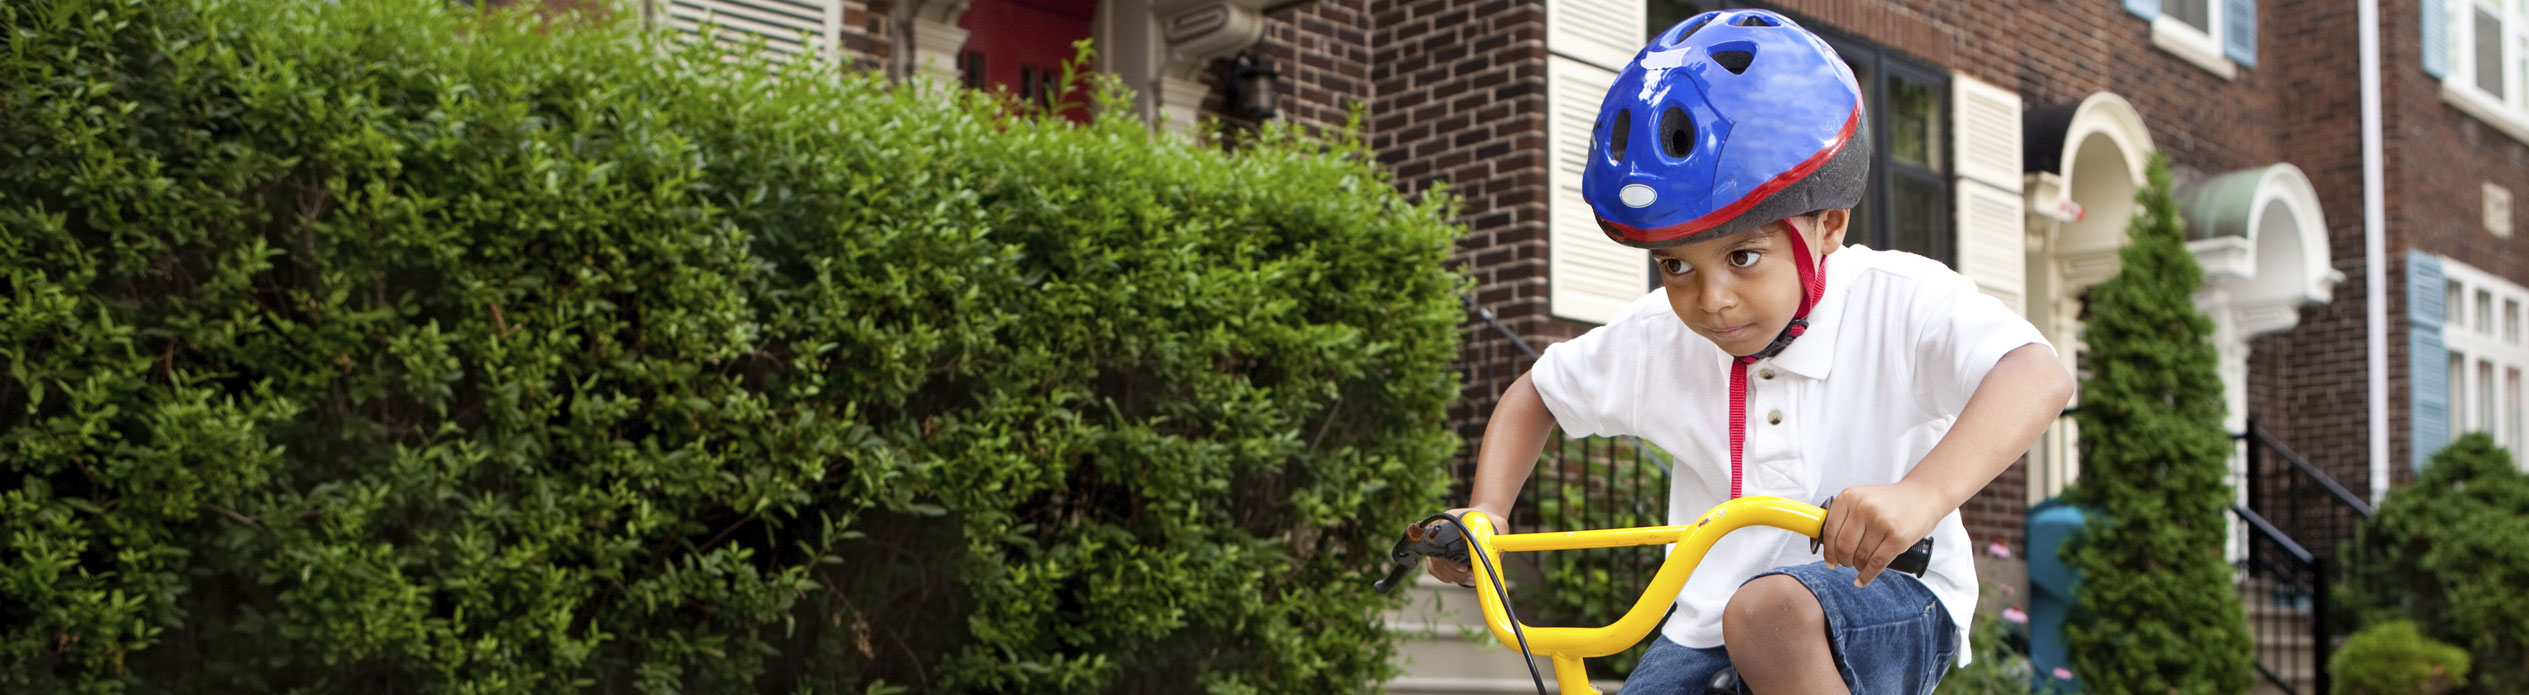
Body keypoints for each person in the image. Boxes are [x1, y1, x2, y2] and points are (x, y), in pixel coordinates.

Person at [1422, 9, 2076, 695]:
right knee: (1734, 618)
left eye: (1742, 255)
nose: (1711, 299)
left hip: (1888, 592)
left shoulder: (1893, 298)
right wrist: (1487, 512)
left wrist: (1919, 494)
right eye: (1675, 266)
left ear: (1826, 224)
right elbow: (1537, 395)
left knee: (1768, 612)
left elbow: (2037, 376)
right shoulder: (1656, 337)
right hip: (1702, 627)